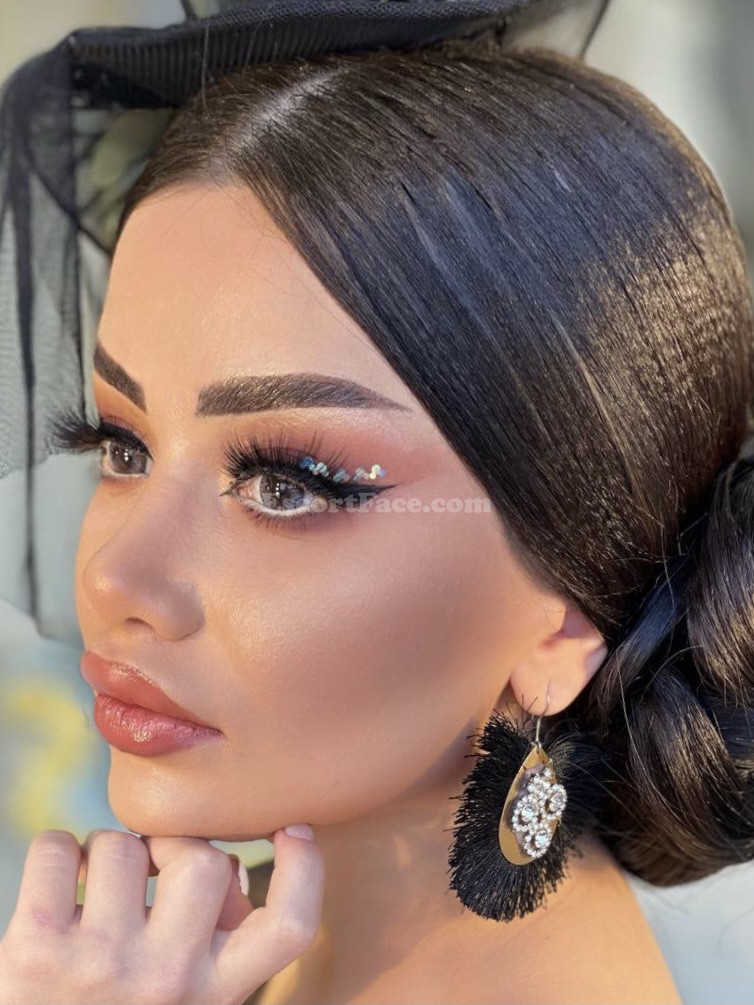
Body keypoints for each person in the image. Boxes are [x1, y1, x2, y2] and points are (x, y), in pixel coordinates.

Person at [1, 16, 753, 1005]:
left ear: (565, 616)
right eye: (123, 447)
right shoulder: (191, 956)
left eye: (284, 485)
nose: (113, 577)